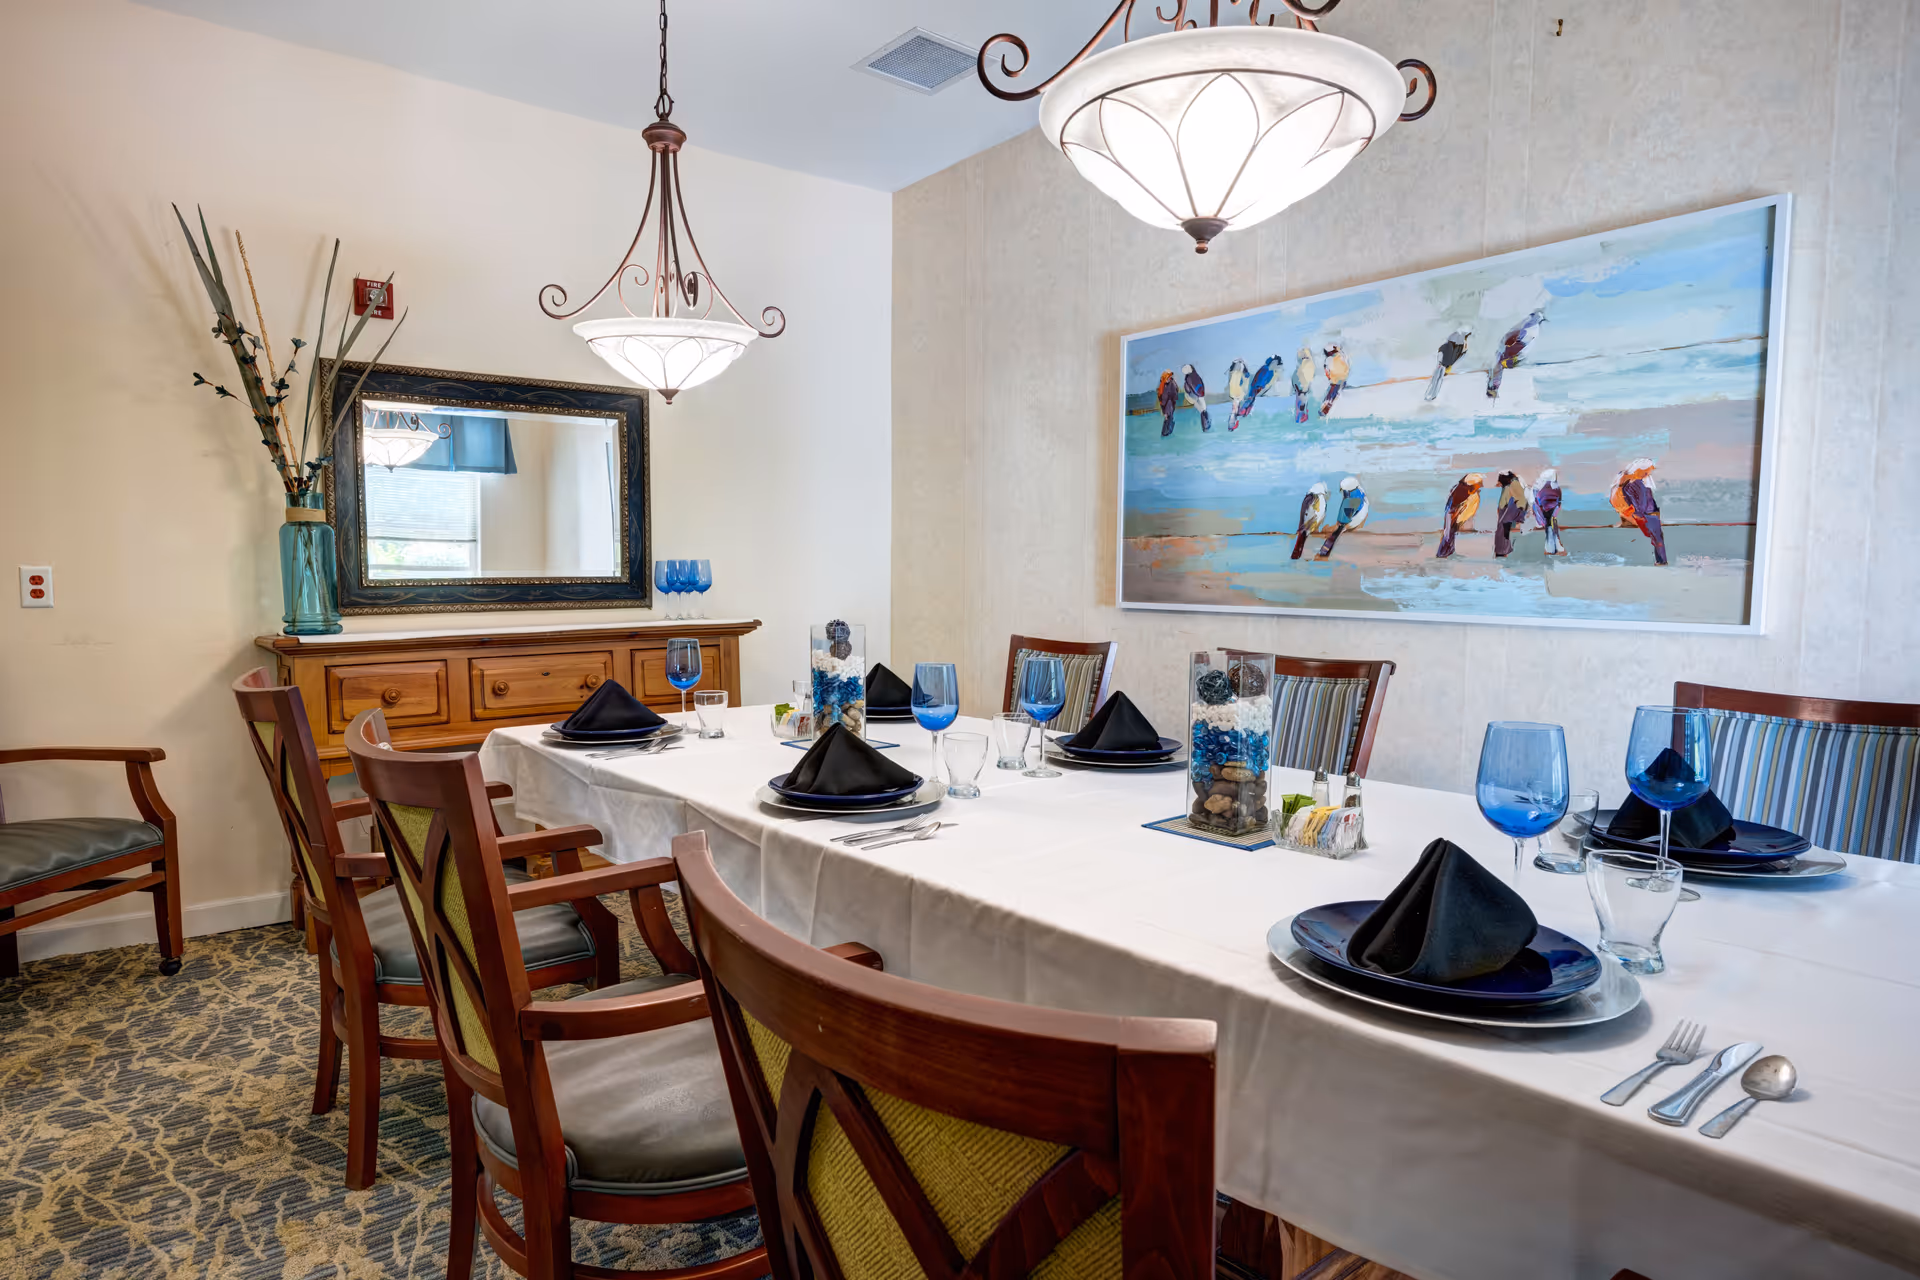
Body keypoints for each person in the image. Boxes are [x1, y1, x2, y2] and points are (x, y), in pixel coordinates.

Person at [1610, 457, 1668, 565]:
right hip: (1647, 515)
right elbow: (1642, 503)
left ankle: (1661, 561)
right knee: (1658, 539)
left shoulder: (1633, 483)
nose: (1648, 473)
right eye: (1647, 471)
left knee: (1656, 539)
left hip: (1647, 514)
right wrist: (1640, 515)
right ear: (1640, 470)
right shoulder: (1636, 484)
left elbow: (1641, 502)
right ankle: (1661, 561)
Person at [1317, 476, 1368, 559]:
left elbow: (1346, 510)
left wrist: (1341, 523)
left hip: (1346, 522)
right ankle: (1324, 551)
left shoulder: (1352, 497)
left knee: (1335, 534)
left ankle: (1324, 551)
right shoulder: (1357, 495)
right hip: (1348, 522)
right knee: (1336, 534)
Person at [1436, 473, 1483, 559]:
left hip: (1454, 514)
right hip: (1452, 514)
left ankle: (1448, 552)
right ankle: (1442, 553)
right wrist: (1455, 518)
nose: (1480, 486)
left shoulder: (1466, 491)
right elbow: (1453, 508)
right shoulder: (1461, 493)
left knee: (1450, 532)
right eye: (1478, 484)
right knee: (1448, 534)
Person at [1425, 328, 1471, 401]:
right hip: (1444, 363)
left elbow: (1443, 351)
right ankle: (1431, 395)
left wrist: (1441, 362)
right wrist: (1440, 362)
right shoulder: (1456, 345)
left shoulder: (1457, 345)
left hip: (1444, 363)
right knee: (1437, 379)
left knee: (1437, 380)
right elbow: (1443, 351)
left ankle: (1431, 395)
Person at [1492, 471, 1529, 557]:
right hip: (1506, 509)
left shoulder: (1514, 484)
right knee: (1503, 529)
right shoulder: (1509, 485)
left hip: (1508, 509)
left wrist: (1517, 511)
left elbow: (1521, 500)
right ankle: (1503, 550)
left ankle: (1502, 551)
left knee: (1502, 529)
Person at [1290, 482, 1328, 560]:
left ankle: (1296, 554)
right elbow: (1314, 515)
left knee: (1300, 542)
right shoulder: (1317, 499)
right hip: (1308, 526)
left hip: (1306, 526)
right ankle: (1297, 554)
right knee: (1301, 540)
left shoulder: (1308, 498)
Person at [1532, 467, 1565, 556]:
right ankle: (1556, 548)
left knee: (1549, 528)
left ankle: (1551, 549)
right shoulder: (1556, 487)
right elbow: (1559, 500)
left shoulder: (1543, 487)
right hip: (1553, 510)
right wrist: (1556, 509)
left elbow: (1538, 499)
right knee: (1553, 527)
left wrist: (1539, 510)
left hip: (1545, 510)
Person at [1320, 344, 1350, 417]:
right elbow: (1347, 367)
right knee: (1334, 392)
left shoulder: (1329, 359)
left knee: (1332, 393)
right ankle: (1327, 405)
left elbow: (1327, 371)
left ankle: (1327, 406)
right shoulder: (1342, 356)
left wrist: (1329, 378)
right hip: (1341, 379)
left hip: (1335, 380)